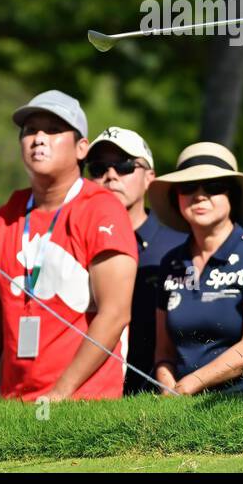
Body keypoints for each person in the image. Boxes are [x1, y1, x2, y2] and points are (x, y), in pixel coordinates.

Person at [0, 91, 137, 401]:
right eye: (30, 130)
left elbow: (115, 313)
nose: (39, 139)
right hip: (14, 401)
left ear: (81, 148)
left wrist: (60, 393)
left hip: (82, 403)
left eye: (54, 130)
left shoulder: (102, 209)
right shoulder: (2, 219)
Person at [151, 142, 243, 395]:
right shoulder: (171, 262)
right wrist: (168, 388)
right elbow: (164, 353)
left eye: (213, 187)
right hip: (182, 407)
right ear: (176, 196)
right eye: (188, 187)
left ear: (231, 196)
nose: (200, 195)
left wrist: (189, 385)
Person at [85, 125, 185, 394]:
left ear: (150, 176)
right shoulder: (72, 245)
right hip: (87, 396)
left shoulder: (179, 248)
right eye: (98, 168)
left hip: (156, 399)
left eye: (125, 166)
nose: (110, 175)